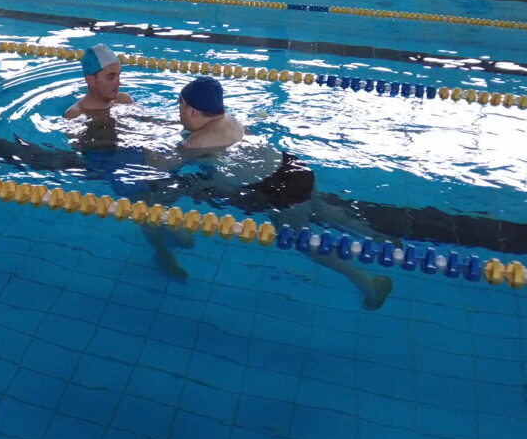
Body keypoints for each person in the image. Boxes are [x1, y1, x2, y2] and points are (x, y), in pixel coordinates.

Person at [144, 75, 393, 309]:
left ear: (193, 111)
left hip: (279, 191)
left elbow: (161, 167)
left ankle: (367, 283)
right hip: (294, 168)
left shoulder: (196, 143)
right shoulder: (230, 120)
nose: (178, 111)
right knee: (324, 211)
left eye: (180, 106)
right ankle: (383, 239)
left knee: (302, 240)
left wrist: (146, 142)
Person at [63, 44, 134, 119]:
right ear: (90, 80)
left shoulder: (125, 100)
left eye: (118, 75)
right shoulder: (75, 115)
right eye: (110, 78)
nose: (119, 83)